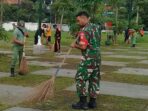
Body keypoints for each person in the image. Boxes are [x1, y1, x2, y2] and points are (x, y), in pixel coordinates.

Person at [71, 11, 101, 110]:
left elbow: (83, 46)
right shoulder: (96, 27)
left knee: (80, 78)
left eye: (78, 20)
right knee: (94, 79)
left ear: (83, 18)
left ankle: (82, 103)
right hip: (97, 58)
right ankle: (92, 102)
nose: (78, 22)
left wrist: (75, 45)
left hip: (88, 59)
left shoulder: (84, 30)